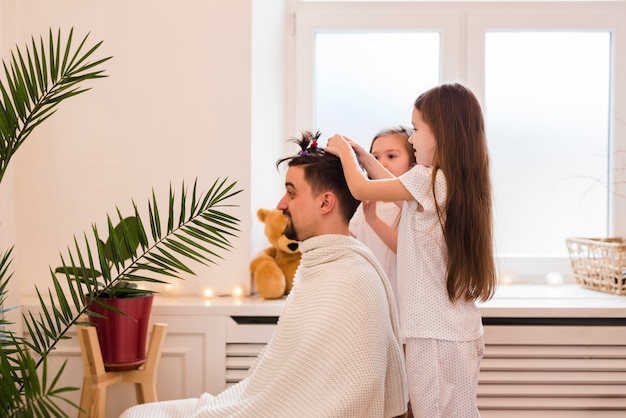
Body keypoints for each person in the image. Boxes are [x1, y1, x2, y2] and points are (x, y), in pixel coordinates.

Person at [119, 130, 408, 418]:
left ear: (325, 203)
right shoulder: (320, 267)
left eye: (291, 192)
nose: (281, 204)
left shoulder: (353, 279)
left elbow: (356, 395)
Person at [326, 82, 497, 418]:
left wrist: (344, 154)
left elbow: (362, 189)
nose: (413, 138)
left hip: (434, 334)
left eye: (418, 129)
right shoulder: (450, 181)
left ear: (444, 132)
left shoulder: (429, 178)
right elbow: (389, 189)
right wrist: (363, 157)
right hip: (453, 332)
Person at [349, 126, 416, 307]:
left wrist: (374, 221)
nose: (381, 163)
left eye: (391, 156)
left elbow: (407, 248)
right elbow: (349, 240)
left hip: (402, 301)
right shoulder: (366, 203)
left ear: (413, 163)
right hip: (370, 299)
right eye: (374, 158)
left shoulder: (411, 206)